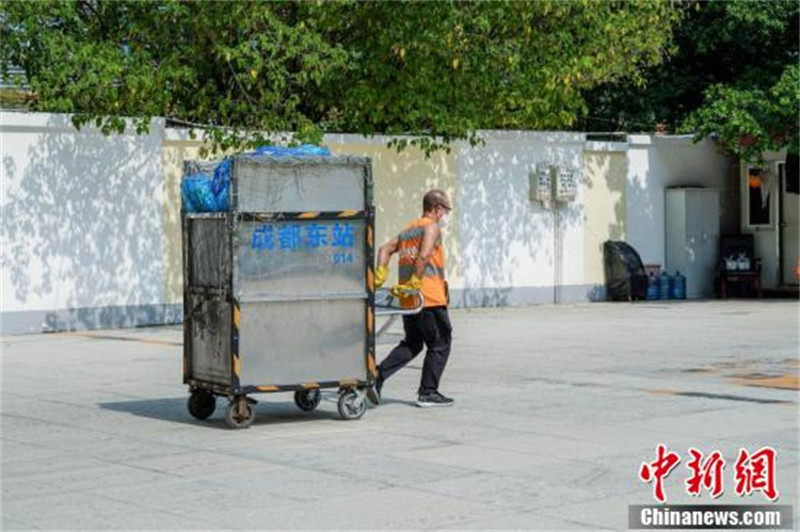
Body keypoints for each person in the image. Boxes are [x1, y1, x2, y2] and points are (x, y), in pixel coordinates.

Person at [368, 189, 454, 408]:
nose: (444, 215)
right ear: (436, 208)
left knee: (413, 343)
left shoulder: (409, 230)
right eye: (445, 210)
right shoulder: (431, 227)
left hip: (409, 299)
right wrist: (417, 280)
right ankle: (428, 392)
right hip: (428, 297)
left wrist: (380, 275)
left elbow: (384, 249)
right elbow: (424, 256)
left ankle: (376, 377)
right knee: (441, 342)